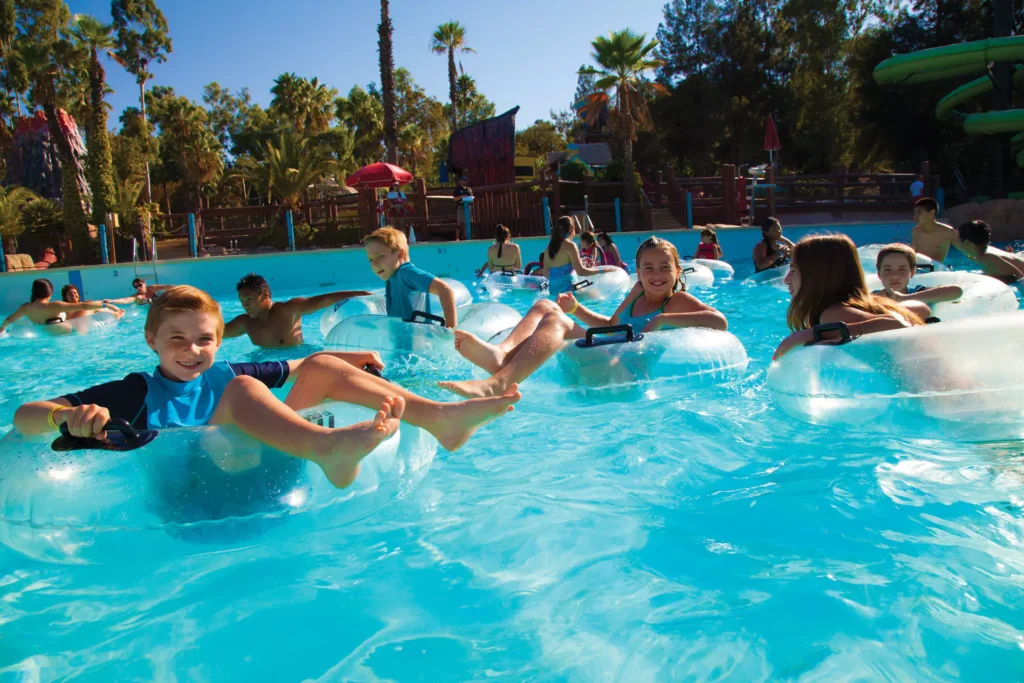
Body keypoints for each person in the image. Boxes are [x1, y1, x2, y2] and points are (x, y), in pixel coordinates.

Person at [13, 286, 521, 489]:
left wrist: (343, 357)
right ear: (151, 341)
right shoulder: (134, 391)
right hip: (194, 495)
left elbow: (300, 364)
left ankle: (438, 418)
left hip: (255, 477)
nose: (192, 350)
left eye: (204, 340)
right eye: (177, 340)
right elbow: (24, 415)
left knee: (316, 365)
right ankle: (329, 450)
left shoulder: (222, 370)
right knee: (238, 392)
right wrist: (66, 417)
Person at [439, 237, 728, 399]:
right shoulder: (637, 292)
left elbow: (719, 321)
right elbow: (612, 327)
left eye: (665, 268)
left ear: (678, 271)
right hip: (609, 352)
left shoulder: (676, 300)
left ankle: (498, 383)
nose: (656, 275)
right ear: (637, 272)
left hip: (627, 375)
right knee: (544, 305)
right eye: (648, 268)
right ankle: (500, 356)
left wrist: (663, 319)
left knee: (558, 324)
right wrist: (577, 309)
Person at [773, 234, 925, 359]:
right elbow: (924, 310)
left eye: (793, 271)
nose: (786, 280)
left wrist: (810, 334)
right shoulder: (864, 303)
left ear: (818, 277)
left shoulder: (832, 315)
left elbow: (898, 326)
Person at [224, 273, 370, 348]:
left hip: (296, 361)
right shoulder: (245, 323)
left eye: (249, 299)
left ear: (265, 295)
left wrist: (362, 294)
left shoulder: (289, 310)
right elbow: (216, 333)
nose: (245, 305)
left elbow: (325, 299)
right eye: (242, 301)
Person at [364, 226, 460, 327]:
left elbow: (445, 290)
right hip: (404, 339)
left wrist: (451, 329)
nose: (374, 264)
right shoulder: (391, 277)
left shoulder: (405, 273)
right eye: (370, 259)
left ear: (400, 254)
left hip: (419, 339)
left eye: (380, 256)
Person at [0, 279, 122, 334]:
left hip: (44, 334)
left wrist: (2, 328)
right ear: (50, 292)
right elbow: (84, 305)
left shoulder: (26, 307)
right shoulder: (54, 305)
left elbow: (10, 319)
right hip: (65, 336)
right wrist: (105, 304)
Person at [873, 243, 963, 306]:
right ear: (879, 274)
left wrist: (903, 298)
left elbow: (956, 291)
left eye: (902, 269)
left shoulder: (919, 292)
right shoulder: (874, 297)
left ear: (912, 272)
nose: (895, 275)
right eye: (888, 270)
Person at [540, 216, 604, 294]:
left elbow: (546, 274)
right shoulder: (570, 245)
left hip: (553, 293)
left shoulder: (548, 248)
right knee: (596, 294)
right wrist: (602, 271)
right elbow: (581, 272)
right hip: (569, 293)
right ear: (571, 229)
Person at [956, 220, 1024, 284]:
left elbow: (1019, 275)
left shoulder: (986, 258)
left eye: (957, 239)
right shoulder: (982, 253)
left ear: (967, 242)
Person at [910, 197, 959, 263]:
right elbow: (911, 254)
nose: (915, 216)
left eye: (919, 212)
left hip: (936, 270)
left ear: (931, 214)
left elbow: (966, 251)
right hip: (919, 269)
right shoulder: (915, 231)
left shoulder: (948, 232)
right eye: (915, 213)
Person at [61, 284, 125, 320]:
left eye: (75, 293)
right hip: (76, 327)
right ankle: (117, 314)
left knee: (93, 306)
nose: (73, 295)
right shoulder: (65, 309)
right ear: (66, 297)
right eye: (70, 294)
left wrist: (113, 307)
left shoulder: (85, 304)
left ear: (78, 294)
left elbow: (99, 303)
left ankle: (117, 314)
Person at [105, 277, 176, 306]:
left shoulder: (151, 288)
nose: (138, 287)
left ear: (144, 284)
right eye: (136, 286)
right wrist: (111, 301)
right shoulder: (137, 297)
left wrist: (182, 288)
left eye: (140, 285)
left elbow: (166, 287)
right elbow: (125, 300)